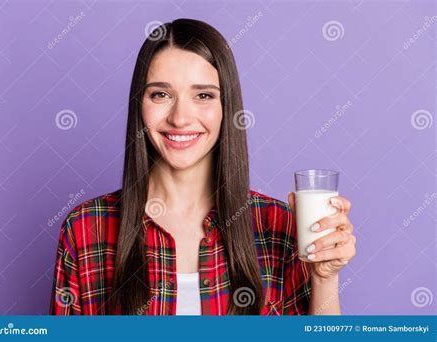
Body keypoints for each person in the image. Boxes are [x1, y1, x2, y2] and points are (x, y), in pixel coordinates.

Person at [50, 18, 356, 316]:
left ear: (227, 108)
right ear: (139, 105)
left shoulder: (278, 226)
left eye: (203, 95)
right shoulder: (85, 228)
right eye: (161, 94)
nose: (180, 117)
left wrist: (324, 278)